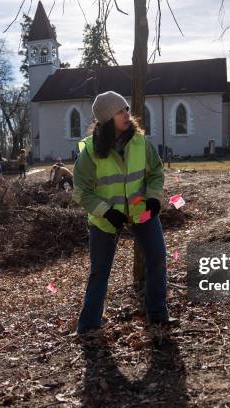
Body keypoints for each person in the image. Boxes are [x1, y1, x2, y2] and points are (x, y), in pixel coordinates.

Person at [73, 91, 177, 335]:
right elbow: (81, 191)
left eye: (127, 109)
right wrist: (107, 212)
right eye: (120, 111)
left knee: (158, 259)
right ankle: (88, 325)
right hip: (105, 221)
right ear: (107, 118)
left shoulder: (141, 143)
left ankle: (159, 316)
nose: (127, 114)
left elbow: (155, 172)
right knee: (100, 271)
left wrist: (153, 197)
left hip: (142, 213)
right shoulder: (89, 151)